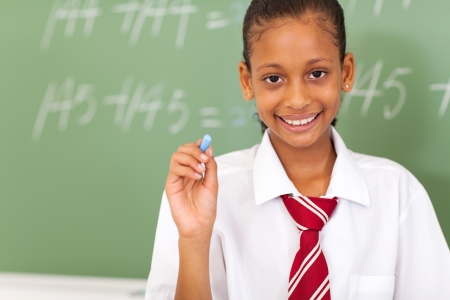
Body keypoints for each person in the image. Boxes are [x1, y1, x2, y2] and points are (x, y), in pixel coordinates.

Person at [145, 0, 450, 299]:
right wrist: (195, 239)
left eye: (316, 73)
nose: (297, 99)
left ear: (345, 72)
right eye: (273, 78)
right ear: (247, 81)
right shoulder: (206, 193)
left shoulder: (397, 194)